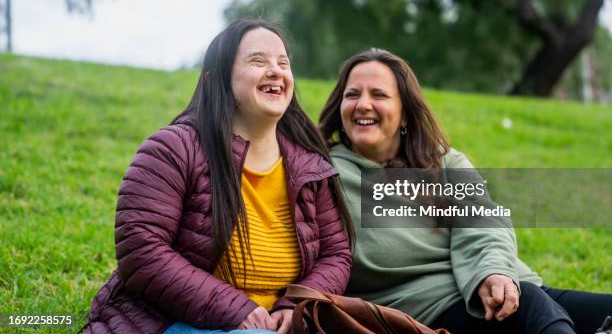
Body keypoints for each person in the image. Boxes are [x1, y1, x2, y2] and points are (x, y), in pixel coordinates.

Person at [82, 19, 353, 334]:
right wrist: (235, 311)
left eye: (283, 63)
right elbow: (142, 251)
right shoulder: (173, 148)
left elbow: (336, 255)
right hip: (178, 323)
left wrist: (295, 309)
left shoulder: (309, 165)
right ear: (217, 79)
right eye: (257, 61)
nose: (276, 71)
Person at [319, 48, 612, 334]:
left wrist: (493, 271)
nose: (363, 104)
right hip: (429, 310)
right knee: (530, 307)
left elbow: (483, 220)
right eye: (352, 94)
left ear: (405, 113)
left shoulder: (443, 160)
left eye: (379, 95)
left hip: (501, 285)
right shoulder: (325, 173)